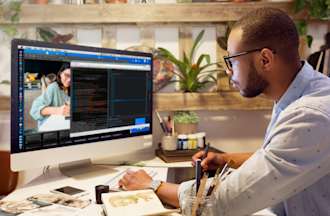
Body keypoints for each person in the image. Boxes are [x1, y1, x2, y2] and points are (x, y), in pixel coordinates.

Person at [118, 7, 330, 216]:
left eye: (231, 60)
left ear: (265, 59)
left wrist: (152, 184)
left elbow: (225, 203)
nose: (228, 72)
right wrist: (227, 159)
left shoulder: (311, 114)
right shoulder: (301, 93)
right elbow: (278, 158)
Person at [30, 63, 71, 127]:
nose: (69, 80)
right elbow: (34, 110)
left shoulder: (71, 89)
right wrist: (57, 110)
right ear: (60, 74)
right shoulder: (53, 87)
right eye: (66, 75)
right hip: (48, 127)